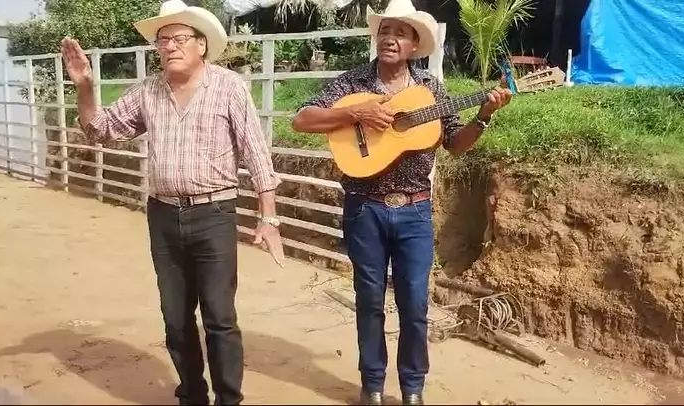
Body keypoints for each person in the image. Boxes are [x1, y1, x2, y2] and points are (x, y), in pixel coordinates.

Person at [60, 0, 285, 404]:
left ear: (202, 45)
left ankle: (229, 399)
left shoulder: (228, 87)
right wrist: (85, 86)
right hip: (163, 214)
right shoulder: (149, 90)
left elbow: (256, 153)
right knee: (176, 317)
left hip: (214, 213)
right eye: (162, 41)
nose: (169, 47)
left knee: (219, 317)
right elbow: (100, 130)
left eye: (179, 38)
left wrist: (269, 219)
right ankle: (192, 395)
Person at [291, 0, 513, 404]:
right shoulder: (354, 82)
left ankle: (412, 389)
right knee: (369, 301)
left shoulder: (431, 89)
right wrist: (356, 114)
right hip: (364, 208)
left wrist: (483, 116)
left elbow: (455, 144)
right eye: (385, 30)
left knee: (414, 304)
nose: (390, 38)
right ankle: (372, 386)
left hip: (414, 210)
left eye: (400, 33)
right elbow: (302, 119)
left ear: (414, 45)